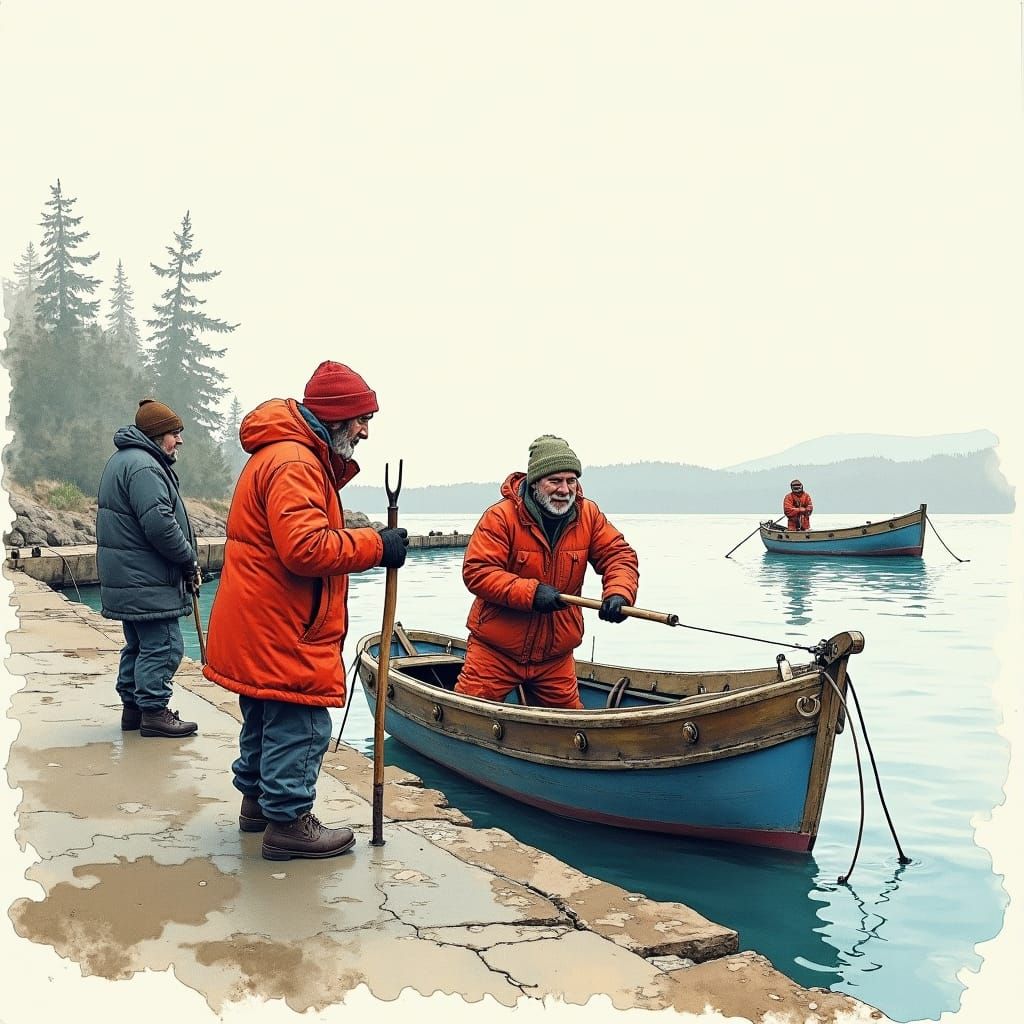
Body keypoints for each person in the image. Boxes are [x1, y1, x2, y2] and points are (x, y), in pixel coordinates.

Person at [202, 360, 409, 861]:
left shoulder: (286, 454)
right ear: (336, 416)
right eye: (361, 420)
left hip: (263, 618)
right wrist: (376, 545)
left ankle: (258, 806)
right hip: (284, 624)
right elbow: (305, 548)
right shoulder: (296, 462)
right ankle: (289, 823)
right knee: (302, 723)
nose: (364, 432)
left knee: (265, 716)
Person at [454, 434, 639, 710]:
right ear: (535, 482)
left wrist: (619, 594)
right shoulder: (500, 517)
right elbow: (477, 571)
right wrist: (531, 593)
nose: (564, 489)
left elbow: (618, 555)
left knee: (571, 728)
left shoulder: (588, 515)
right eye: (555, 480)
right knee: (466, 717)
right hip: (495, 652)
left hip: (555, 658)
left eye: (571, 480)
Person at [96, 398, 201, 738]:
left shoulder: (126, 460)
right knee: (165, 646)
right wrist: (188, 559)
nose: (179, 440)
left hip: (131, 578)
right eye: (174, 433)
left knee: (138, 646)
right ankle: (154, 713)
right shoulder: (145, 467)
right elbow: (160, 526)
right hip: (147, 580)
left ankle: (134, 710)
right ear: (156, 435)